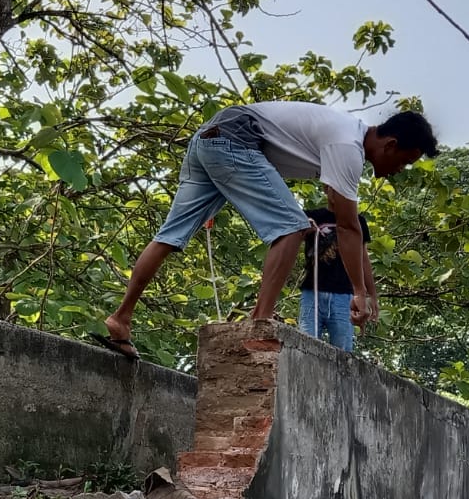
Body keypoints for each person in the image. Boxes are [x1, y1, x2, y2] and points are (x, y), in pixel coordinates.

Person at [98, 103, 435, 357]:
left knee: (169, 236)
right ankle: (260, 324)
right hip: (233, 141)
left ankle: (121, 318)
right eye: (404, 162)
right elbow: (349, 228)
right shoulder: (348, 146)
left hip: (209, 138)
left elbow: (339, 212)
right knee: (291, 228)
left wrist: (366, 290)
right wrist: (360, 293)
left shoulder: (346, 134)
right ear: (390, 144)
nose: (399, 171)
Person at [301, 206, 372, 352]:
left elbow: (364, 259)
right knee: (305, 346)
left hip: (344, 294)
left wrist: (371, 295)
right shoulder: (312, 215)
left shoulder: (358, 221)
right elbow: (287, 235)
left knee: (343, 351)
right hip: (312, 291)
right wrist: (302, 228)